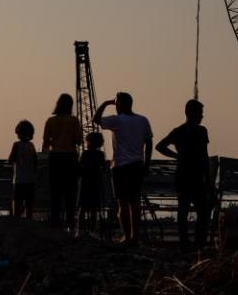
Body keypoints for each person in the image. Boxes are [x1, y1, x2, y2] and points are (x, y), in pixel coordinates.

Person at [94, 92, 153, 244]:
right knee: (135, 203)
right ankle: (135, 237)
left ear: (119, 104)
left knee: (123, 203)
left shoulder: (117, 121)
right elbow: (149, 143)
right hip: (137, 165)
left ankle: (127, 236)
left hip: (120, 166)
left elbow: (96, 119)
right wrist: (146, 163)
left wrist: (107, 103)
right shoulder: (143, 120)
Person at [156, 99, 212, 252]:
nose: (201, 116)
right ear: (190, 113)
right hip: (191, 177)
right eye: (199, 113)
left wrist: (177, 156)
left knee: (188, 211)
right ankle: (194, 243)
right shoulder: (198, 131)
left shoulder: (181, 131)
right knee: (196, 211)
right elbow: (204, 157)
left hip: (187, 176)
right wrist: (208, 179)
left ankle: (189, 243)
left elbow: (160, 146)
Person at [42, 93, 83, 230]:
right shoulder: (74, 121)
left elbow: (46, 142)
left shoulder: (50, 121)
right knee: (71, 193)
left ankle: (55, 224)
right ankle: (71, 225)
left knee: (55, 193)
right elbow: (78, 140)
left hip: (55, 158)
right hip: (70, 157)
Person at [77, 130, 107, 238]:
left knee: (82, 208)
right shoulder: (100, 154)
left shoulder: (85, 154)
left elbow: (79, 169)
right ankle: (92, 231)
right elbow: (103, 168)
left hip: (85, 182)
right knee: (94, 209)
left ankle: (79, 231)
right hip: (96, 183)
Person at [8, 120, 37, 219]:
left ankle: (17, 222)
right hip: (30, 180)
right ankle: (29, 222)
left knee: (17, 202)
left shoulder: (16, 145)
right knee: (29, 205)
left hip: (19, 180)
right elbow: (35, 162)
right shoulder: (32, 146)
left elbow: (10, 159)